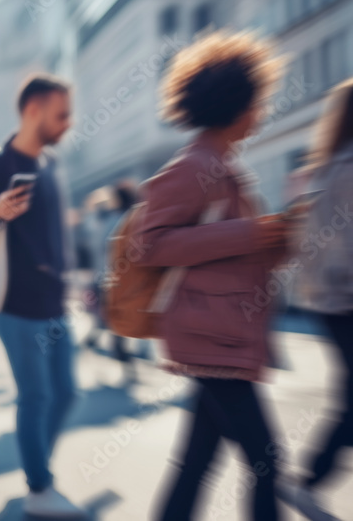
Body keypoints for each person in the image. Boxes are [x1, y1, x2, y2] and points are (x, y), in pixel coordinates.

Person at [137, 31, 290, 521]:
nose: (261, 113)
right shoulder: (194, 166)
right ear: (237, 105)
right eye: (258, 102)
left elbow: (230, 249)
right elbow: (150, 245)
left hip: (222, 335)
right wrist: (248, 234)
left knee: (198, 461)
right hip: (209, 338)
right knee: (266, 460)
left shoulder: (222, 166)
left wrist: (274, 240)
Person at [0, 74, 82, 517]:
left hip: (56, 302)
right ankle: (38, 487)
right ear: (33, 111)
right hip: (15, 303)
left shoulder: (51, 164)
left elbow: (56, 235)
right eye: (61, 113)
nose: (69, 122)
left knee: (67, 393)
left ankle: (37, 465)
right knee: (37, 396)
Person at [288, 77, 353, 518]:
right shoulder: (347, 169)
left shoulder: (329, 167)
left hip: (333, 301)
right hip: (345, 300)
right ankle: (309, 478)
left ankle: (310, 477)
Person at [82, 182, 144, 383]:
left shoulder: (107, 220)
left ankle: (96, 345)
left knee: (109, 322)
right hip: (118, 281)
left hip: (106, 280)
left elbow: (97, 248)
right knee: (116, 324)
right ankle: (126, 364)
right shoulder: (128, 220)